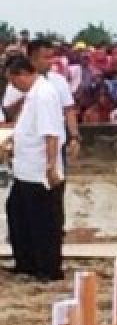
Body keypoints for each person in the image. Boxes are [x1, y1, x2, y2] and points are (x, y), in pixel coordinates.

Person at [4, 56, 65, 282]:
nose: (13, 86)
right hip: (25, 169)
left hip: (39, 171)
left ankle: (47, 268)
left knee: (43, 222)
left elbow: (51, 133)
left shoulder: (45, 95)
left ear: (22, 74)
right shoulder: (32, 95)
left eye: (13, 81)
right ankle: (26, 263)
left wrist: (50, 166)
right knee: (18, 214)